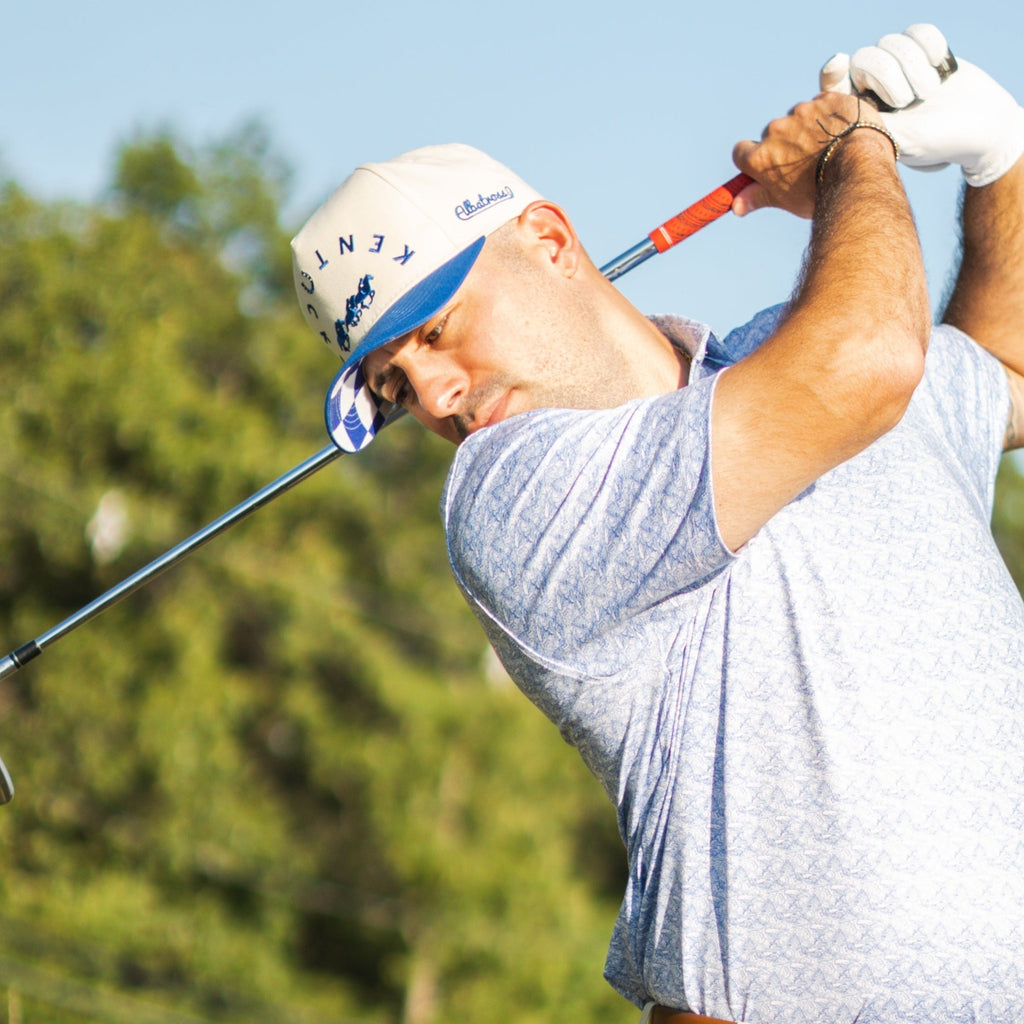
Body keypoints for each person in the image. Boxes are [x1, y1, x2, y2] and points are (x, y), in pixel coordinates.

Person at [290, 25, 1024, 1024]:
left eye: (435, 331)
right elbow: (866, 363)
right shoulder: (510, 497)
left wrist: (998, 158)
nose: (434, 396)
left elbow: (1000, 377)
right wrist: (855, 148)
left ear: (550, 241)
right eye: (391, 385)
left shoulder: (785, 351)